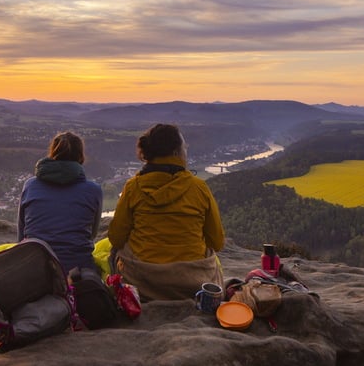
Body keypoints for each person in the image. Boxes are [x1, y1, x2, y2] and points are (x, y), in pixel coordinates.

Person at [107, 123, 225, 300]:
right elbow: (216, 242)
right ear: (177, 153)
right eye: (184, 147)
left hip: (143, 282)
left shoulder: (133, 187)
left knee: (113, 254)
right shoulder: (199, 188)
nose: (186, 151)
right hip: (192, 282)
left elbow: (116, 238)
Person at [18, 131, 103, 273]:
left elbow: (22, 232)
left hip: (35, 267)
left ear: (52, 153)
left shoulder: (30, 185)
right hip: (77, 270)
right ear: (81, 156)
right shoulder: (93, 190)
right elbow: (92, 234)